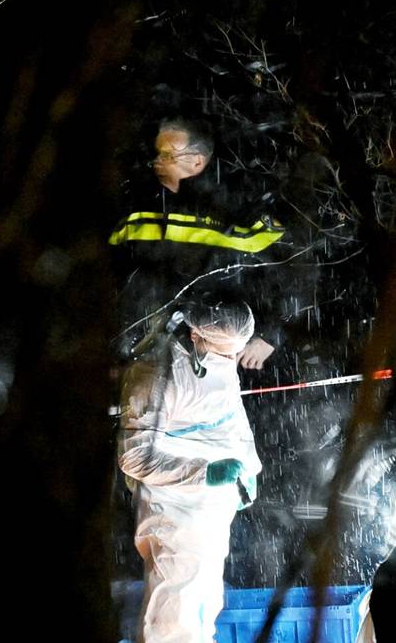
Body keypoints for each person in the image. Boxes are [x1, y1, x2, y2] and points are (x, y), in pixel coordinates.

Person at [117, 300, 262, 643]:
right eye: (224, 351)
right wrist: (204, 473)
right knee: (174, 597)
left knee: (207, 597)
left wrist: (250, 467)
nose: (232, 359)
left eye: (236, 351)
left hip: (213, 503)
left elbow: (233, 416)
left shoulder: (219, 357)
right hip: (171, 505)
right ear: (196, 335)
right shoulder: (156, 374)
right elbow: (135, 457)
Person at [109, 118, 285, 370]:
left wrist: (269, 335)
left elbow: (290, 274)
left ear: (198, 160)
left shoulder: (237, 210)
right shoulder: (136, 208)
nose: (157, 161)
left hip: (219, 356)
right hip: (144, 355)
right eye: (157, 153)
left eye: (168, 154)